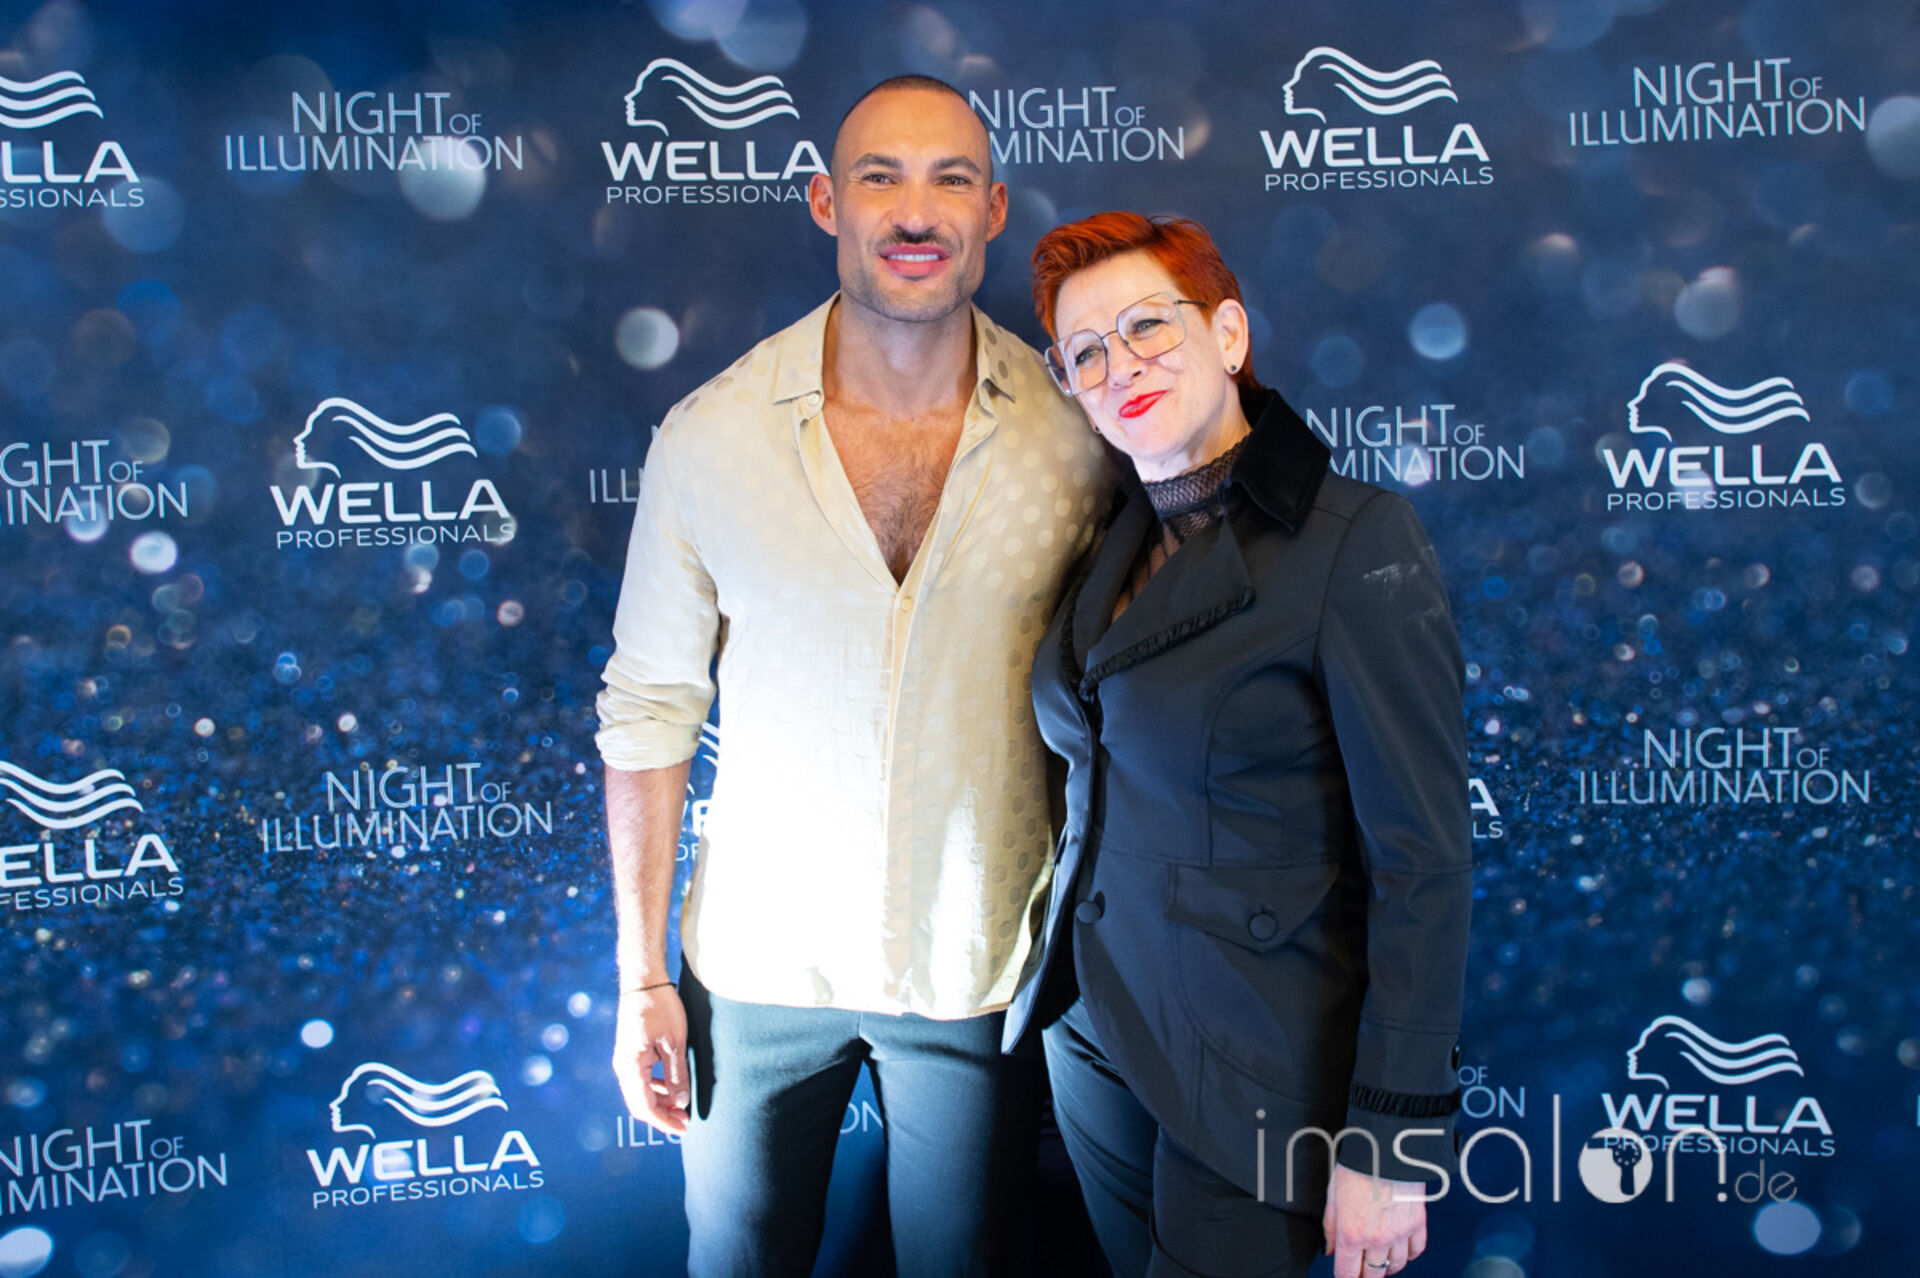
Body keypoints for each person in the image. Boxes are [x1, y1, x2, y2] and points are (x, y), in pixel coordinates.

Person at [595, 77, 1112, 1278]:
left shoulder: (1078, 436)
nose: (914, 212)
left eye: (948, 180)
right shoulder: (710, 436)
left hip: (974, 965)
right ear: (828, 203)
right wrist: (639, 979)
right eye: (881, 177)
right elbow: (649, 712)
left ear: (992, 209)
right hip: (757, 972)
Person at [1003, 212, 1471, 1278]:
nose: (1121, 366)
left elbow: (1425, 864)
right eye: (1086, 352)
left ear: (1227, 334)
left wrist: (1392, 1143)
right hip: (1097, 1038)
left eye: (1147, 327)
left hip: (1254, 1061)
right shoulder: (1115, 538)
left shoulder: (1357, 541)